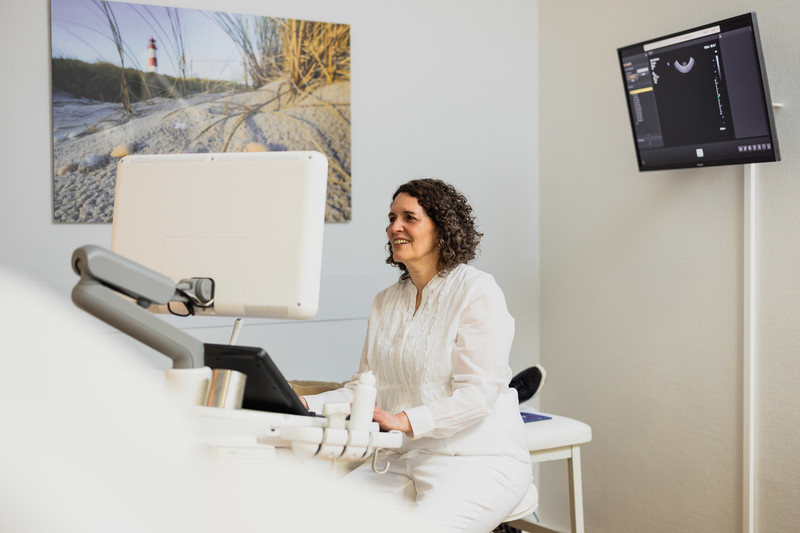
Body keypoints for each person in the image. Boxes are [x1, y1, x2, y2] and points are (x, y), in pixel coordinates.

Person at [300, 179, 533, 532]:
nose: (395, 227)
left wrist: (405, 420)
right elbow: (364, 390)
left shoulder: (477, 291)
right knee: (312, 521)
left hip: (476, 459)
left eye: (409, 217)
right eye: (392, 217)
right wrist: (302, 403)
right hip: (401, 459)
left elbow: (477, 396)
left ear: (442, 229)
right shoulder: (386, 301)